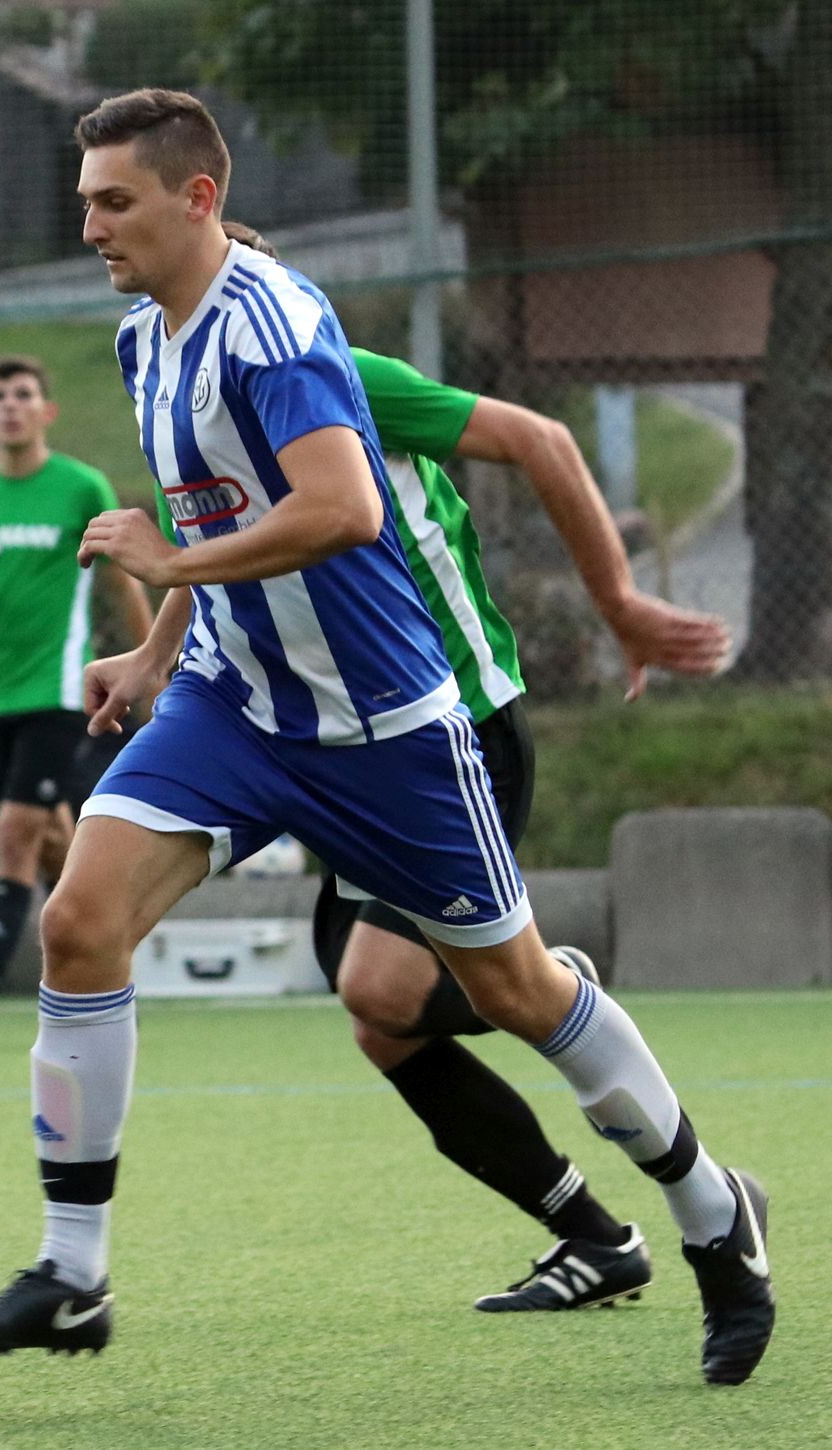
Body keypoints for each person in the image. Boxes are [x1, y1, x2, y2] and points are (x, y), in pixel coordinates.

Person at [0, 90, 773, 1387]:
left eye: (113, 201)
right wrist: (155, 653)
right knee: (82, 919)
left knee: (513, 991)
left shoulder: (281, 328)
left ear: (197, 198)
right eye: (84, 199)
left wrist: (165, 560)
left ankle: (711, 1210)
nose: (86, 223)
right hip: (233, 704)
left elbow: (344, 508)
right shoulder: (148, 337)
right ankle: (73, 1273)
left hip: (384, 727)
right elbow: (200, 497)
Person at [215, 219, 732, 1311]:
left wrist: (618, 605)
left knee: (382, 987)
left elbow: (542, 439)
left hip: (457, 724)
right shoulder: (201, 405)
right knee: (378, 1019)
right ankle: (593, 1237)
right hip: (349, 747)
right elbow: (212, 563)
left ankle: (552, 992)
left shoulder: (338, 375)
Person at [0, 355, 153, 1049]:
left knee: (12, 832)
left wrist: (154, 666)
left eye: (23, 395)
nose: (10, 406)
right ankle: (112, 950)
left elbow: (122, 584)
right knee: (52, 840)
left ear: (46, 411)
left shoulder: (80, 486)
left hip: (58, 689)